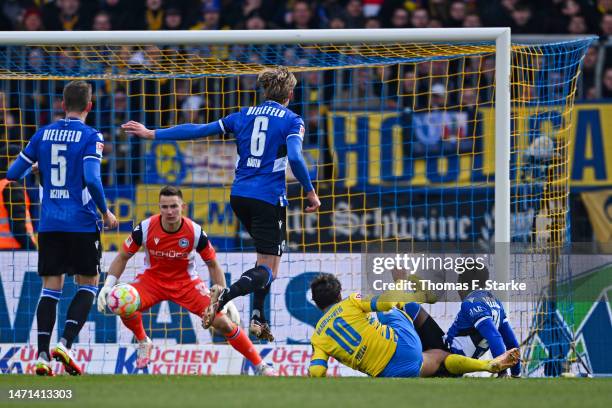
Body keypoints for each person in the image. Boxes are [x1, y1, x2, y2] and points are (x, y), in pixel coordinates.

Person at [122, 66, 320, 342]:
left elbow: (199, 130)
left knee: (264, 260)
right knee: (269, 269)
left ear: (265, 90)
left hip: (239, 195)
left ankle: (258, 317)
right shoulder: (292, 120)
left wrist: (153, 133)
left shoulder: (243, 115)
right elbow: (297, 159)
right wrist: (310, 191)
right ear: (290, 93)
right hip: (268, 197)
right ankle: (225, 295)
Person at [97, 186, 276, 376]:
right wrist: (108, 285)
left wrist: (226, 299)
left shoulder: (195, 231)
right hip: (152, 281)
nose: (169, 211)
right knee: (122, 301)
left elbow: (213, 265)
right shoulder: (146, 227)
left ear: (183, 206)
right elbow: (122, 256)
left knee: (224, 323)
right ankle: (143, 341)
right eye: (164, 207)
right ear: (159, 207)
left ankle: (260, 365)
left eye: (174, 206)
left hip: (186, 284)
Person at [6, 80, 118, 376]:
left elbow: (12, 173)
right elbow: (92, 179)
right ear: (89, 106)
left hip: (49, 223)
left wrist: (35, 166)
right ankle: (65, 344)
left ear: (61, 104)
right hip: (81, 223)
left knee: (50, 289)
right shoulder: (91, 135)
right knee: (88, 284)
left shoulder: (42, 134)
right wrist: (106, 212)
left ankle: (42, 355)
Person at [308, 274, 519, 378]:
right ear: (339, 294)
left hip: (389, 373)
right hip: (404, 348)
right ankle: (416, 294)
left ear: (317, 304)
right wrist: (399, 282)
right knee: (387, 309)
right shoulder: (351, 301)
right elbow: (387, 302)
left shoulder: (317, 337)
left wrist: (320, 376)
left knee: (439, 357)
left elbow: (317, 371)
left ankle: (487, 366)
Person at [445, 265, 522, 377]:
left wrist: (502, 371)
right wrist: (516, 374)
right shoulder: (496, 303)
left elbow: (494, 337)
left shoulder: (470, 303)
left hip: (445, 359)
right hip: (460, 364)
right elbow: (511, 342)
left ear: (461, 283)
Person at [0, 144, 37, 250]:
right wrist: (32, 248)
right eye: (19, 159)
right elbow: (18, 227)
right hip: (13, 249)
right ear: (9, 162)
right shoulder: (11, 187)